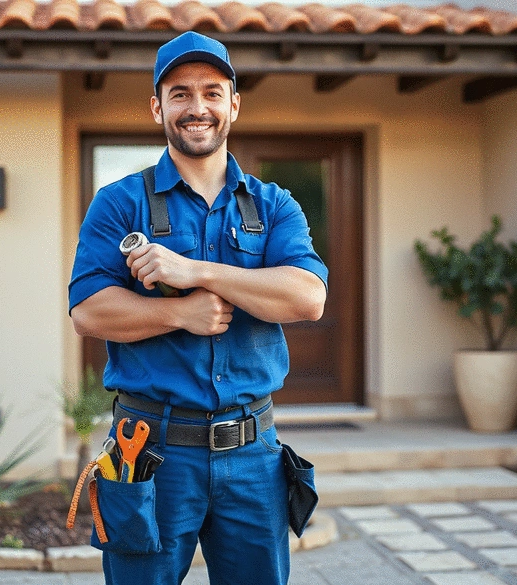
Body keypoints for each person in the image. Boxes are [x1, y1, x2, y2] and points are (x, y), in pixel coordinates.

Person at [68, 31, 328, 585]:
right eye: (180, 93)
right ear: (157, 106)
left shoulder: (274, 205)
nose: (197, 108)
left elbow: (307, 297)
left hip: (253, 456)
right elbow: (88, 311)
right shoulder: (119, 202)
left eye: (212, 92)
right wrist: (177, 313)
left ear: (234, 104)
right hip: (151, 455)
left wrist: (199, 273)